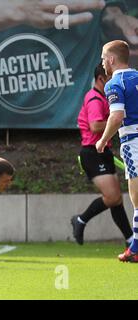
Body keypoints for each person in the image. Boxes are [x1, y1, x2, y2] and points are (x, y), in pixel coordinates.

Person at [71, 63, 133, 247]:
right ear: (101, 79)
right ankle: (80, 220)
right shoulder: (95, 99)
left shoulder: (104, 97)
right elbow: (95, 126)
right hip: (92, 152)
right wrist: (118, 120)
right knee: (113, 197)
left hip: (103, 151)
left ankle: (131, 241)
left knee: (116, 199)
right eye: (110, 77)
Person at [96, 40, 138, 262]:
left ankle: (135, 249)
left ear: (112, 59)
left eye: (103, 58)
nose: (102, 63)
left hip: (133, 142)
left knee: (137, 198)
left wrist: (103, 140)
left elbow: (117, 115)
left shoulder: (114, 83)